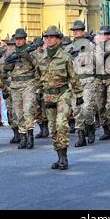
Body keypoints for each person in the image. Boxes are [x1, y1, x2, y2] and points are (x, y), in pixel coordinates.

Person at [35, 26, 83, 170]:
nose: (48, 39)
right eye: (46, 37)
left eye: (52, 37)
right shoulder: (41, 57)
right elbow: (39, 77)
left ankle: (64, 157)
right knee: (53, 128)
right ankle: (59, 155)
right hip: (48, 95)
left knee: (61, 124)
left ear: (58, 39)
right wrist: (38, 92)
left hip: (63, 93)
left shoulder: (65, 56)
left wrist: (79, 94)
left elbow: (73, 77)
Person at [5, 29, 38, 149]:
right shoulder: (11, 52)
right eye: (17, 39)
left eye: (20, 39)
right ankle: (22, 136)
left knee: (28, 110)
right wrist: (10, 63)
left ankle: (30, 136)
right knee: (18, 113)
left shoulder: (31, 51)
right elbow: (5, 68)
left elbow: (38, 65)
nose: (18, 41)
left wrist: (27, 57)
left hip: (29, 84)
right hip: (15, 86)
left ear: (25, 39)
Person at [69, 20, 97, 147]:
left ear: (83, 31)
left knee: (86, 108)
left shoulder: (90, 45)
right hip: (75, 82)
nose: (75, 32)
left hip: (88, 80)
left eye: (78, 30)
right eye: (74, 30)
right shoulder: (68, 47)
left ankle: (90, 126)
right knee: (76, 110)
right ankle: (81, 136)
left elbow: (99, 61)